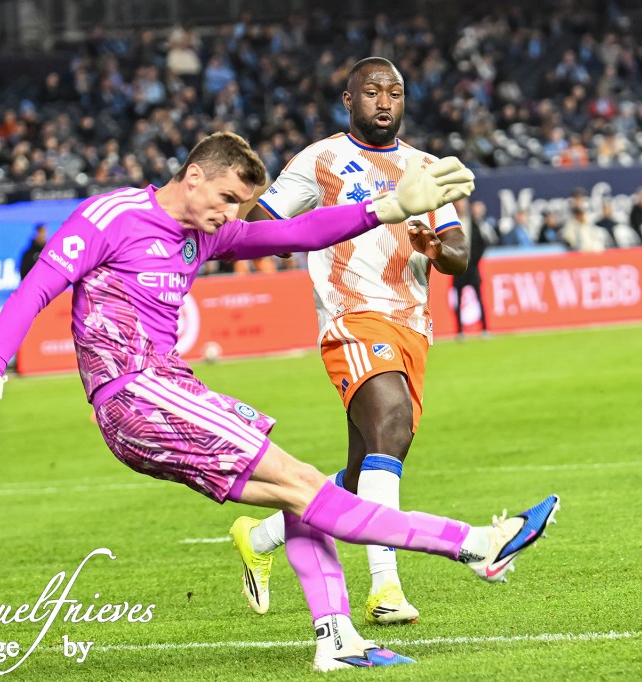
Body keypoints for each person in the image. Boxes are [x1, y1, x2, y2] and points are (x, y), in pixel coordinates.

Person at [0, 131, 559, 672]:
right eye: (228, 197)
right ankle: (476, 545)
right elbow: (36, 288)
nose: (233, 214)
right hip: (136, 391)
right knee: (303, 482)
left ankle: (337, 640)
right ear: (193, 175)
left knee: (300, 491)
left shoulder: (207, 234)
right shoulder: (112, 216)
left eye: (241, 203)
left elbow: (297, 231)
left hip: (168, 391)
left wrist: (387, 206)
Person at [235, 57, 473, 627]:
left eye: (394, 91)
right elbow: (257, 224)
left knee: (360, 469)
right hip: (352, 318)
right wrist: (301, 233)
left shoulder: (425, 167)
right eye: (372, 92)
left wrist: (434, 247)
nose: (384, 102)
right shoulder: (320, 160)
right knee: (391, 425)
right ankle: (385, 587)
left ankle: (262, 535)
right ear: (349, 100)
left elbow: (460, 253)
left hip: (410, 325)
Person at [453, 198, 496, 339]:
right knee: (458, 299)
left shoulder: (473, 223)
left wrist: (474, 261)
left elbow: (482, 243)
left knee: (479, 297)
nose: (461, 206)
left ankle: (484, 329)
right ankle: (459, 331)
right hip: (458, 267)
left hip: (472, 267)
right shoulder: (451, 223)